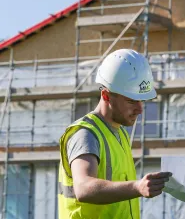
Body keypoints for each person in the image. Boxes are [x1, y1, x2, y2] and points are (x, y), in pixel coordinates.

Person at [58, 49, 172, 219]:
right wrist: (137, 187)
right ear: (106, 95)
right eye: (131, 100)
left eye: (142, 100)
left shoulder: (120, 134)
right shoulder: (86, 134)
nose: (140, 109)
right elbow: (83, 187)